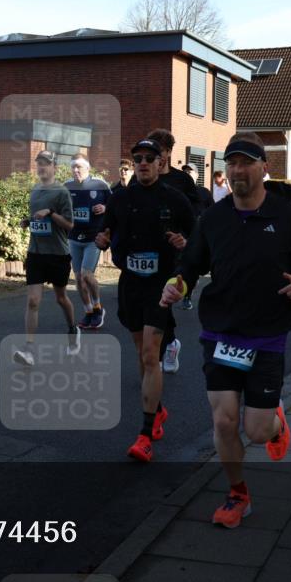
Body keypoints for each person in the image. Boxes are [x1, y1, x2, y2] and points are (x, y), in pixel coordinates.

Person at [161, 132, 291, 528]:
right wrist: (178, 284)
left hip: (268, 332)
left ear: (263, 168)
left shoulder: (287, 216)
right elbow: (190, 264)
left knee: (256, 431)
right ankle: (237, 493)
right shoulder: (214, 219)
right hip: (220, 331)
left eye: (245, 163)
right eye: (231, 164)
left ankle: (275, 420)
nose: (236, 170)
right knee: (223, 420)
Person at [95, 139, 194, 462]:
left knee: (152, 353)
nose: (143, 163)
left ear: (162, 161)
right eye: (138, 158)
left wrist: (185, 242)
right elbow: (105, 230)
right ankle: (158, 408)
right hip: (131, 284)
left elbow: (196, 241)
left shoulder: (175, 199)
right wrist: (102, 238)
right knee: (142, 354)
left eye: (149, 158)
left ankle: (145, 433)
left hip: (160, 284)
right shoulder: (121, 198)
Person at [144, 129, 213, 372]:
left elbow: (194, 215)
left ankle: (168, 344)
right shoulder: (141, 177)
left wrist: (186, 238)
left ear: (169, 153)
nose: (155, 157)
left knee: (160, 299)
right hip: (147, 249)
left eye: (160, 152)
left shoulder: (182, 181)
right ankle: (169, 341)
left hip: (174, 251)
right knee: (144, 304)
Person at [13, 151, 80, 365]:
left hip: (58, 254)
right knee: (33, 301)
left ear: (54, 168)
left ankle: (72, 329)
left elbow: (69, 225)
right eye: (39, 163)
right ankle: (29, 351)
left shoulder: (62, 192)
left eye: (46, 164)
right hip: (36, 253)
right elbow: (37, 218)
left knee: (61, 298)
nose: (42, 167)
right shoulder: (35, 190)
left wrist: (50, 213)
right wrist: (28, 221)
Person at [64, 154, 111, 330]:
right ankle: (88, 311)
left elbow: (114, 205)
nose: (76, 170)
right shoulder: (66, 186)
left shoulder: (100, 185)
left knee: (86, 274)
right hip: (74, 237)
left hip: (93, 237)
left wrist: (105, 207)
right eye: (73, 167)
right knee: (78, 278)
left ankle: (98, 309)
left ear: (88, 168)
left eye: (79, 167)